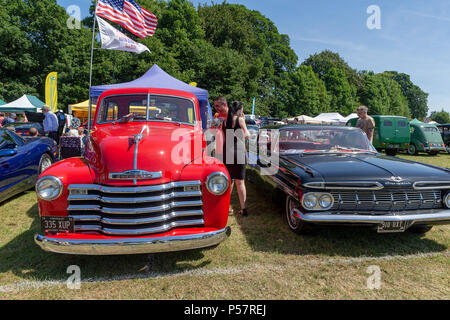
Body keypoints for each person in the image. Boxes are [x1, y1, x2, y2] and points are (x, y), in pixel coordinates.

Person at [222, 101, 250, 216]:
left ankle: (225, 207)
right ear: (239, 110)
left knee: (229, 181)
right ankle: (243, 209)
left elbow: (224, 138)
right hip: (238, 151)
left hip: (227, 152)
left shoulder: (224, 122)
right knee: (240, 182)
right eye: (242, 109)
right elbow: (247, 135)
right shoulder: (241, 120)